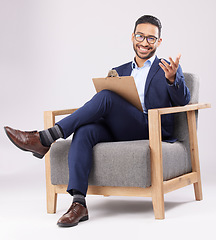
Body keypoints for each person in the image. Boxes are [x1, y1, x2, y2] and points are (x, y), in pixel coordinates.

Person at [4, 15, 190, 227]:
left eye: (151, 38)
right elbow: (107, 108)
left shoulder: (167, 68)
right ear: (132, 37)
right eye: (140, 36)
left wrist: (173, 80)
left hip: (150, 128)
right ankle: (79, 203)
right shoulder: (119, 71)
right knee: (84, 130)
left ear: (159, 42)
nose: (144, 42)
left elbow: (183, 100)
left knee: (105, 97)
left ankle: (45, 138)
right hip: (120, 128)